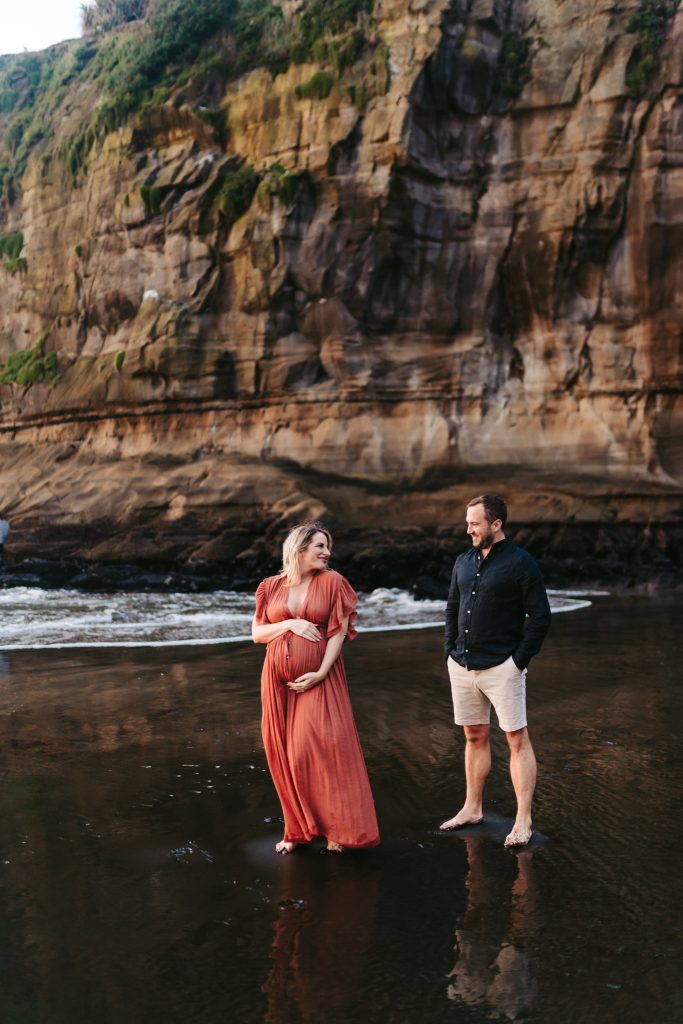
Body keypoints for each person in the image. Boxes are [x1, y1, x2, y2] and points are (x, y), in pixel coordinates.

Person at [252, 521, 379, 854]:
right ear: (299, 548)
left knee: (321, 748)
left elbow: (338, 632)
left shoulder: (334, 582)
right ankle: (298, 829)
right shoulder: (269, 587)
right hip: (276, 681)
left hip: (319, 678)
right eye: (320, 546)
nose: (327, 552)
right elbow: (258, 634)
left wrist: (321, 672)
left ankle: (338, 828)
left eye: (327, 546)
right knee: (287, 754)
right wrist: (291, 623)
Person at [441, 494, 551, 848]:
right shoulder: (463, 561)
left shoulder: (521, 563)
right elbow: (452, 609)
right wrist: (449, 651)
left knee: (516, 740)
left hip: (503, 666)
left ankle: (523, 820)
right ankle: (472, 808)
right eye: (468, 522)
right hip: (462, 664)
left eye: (475, 523)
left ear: (496, 524)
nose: (469, 529)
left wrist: (518, 661)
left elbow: (541, 616)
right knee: (474, 737)